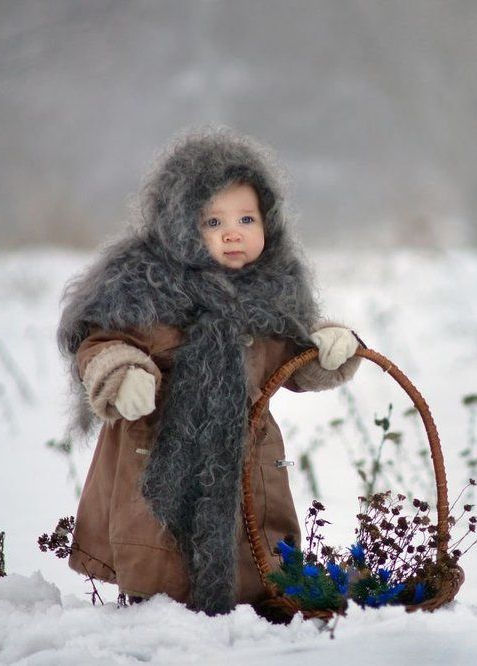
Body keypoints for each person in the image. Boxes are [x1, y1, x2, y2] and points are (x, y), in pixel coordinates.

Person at [57, 127, 360, 615]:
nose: (233, 232)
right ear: (179, 225)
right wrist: (123, 374)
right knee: (160, 549)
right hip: (155, 451)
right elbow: (103, 344)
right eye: (212, 221)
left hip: (244, 454)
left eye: (246, 217)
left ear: (270, 222)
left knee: (254, 544)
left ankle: (258, 605)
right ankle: (156, 611)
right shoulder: (143, 289)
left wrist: (330, 348)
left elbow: (296, 365)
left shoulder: (272, 294)